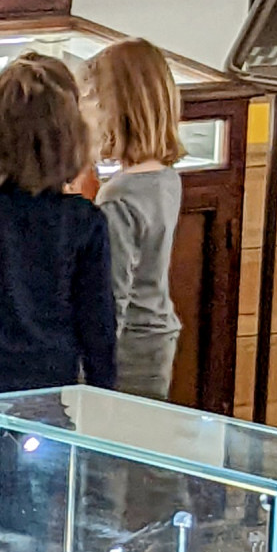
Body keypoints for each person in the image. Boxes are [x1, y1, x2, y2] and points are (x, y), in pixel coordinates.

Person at [0, 53, 116, 397]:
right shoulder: (84, 221)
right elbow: (97, 326)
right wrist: (106, 397)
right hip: (52, 382)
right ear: (73, 137)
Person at [83, 38, 185, 401]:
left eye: (92, 99)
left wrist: (90, 372)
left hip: (128, 351)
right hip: (156, 337)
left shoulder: (119, 196)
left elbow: (111, 295)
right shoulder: (165, 176)